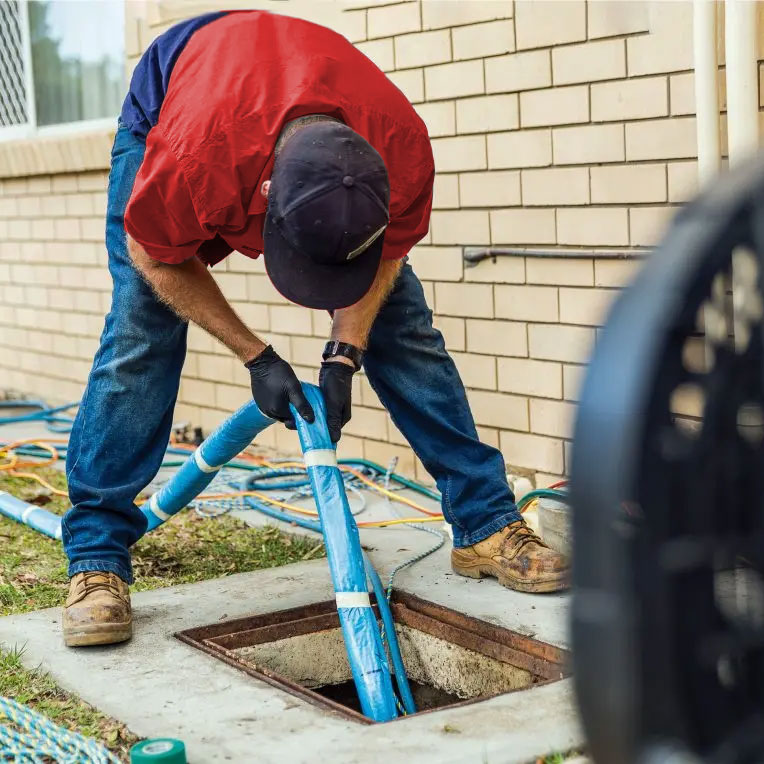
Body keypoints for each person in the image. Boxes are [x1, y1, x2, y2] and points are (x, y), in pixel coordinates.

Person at [62, 10, 568, 648]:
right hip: (179, 97)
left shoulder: (402, 149)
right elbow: (155, 256)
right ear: (267, 191)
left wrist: (343, 356)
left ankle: (486, 523)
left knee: (404, 325)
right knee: (143, 330)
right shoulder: (193, 156)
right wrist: (256, 358)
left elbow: (387, 258)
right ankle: (97, 557)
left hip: (290, 100)